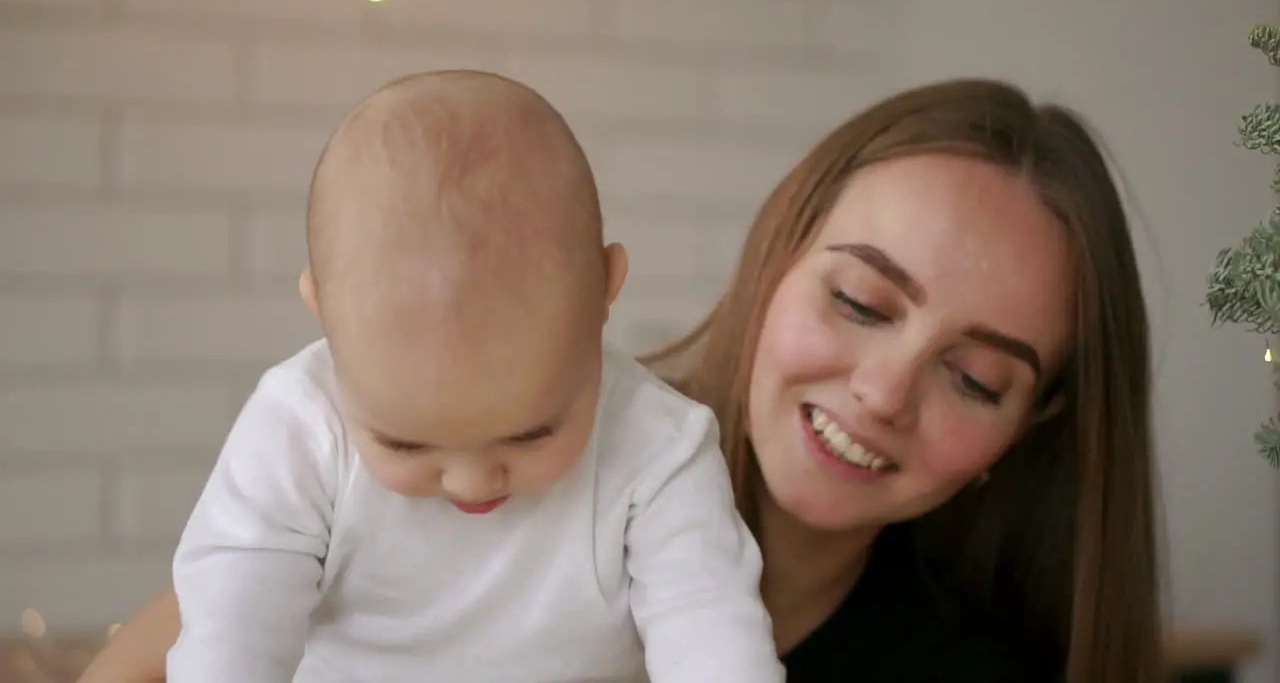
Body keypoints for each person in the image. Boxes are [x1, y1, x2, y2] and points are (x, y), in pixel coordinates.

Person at [77, 77, 1161, 683]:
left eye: (973, 377)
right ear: (774, 257)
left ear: (1034, 422)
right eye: (860, 303)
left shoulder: (959, 669)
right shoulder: (437, 430)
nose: (882, 388)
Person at [160, 69, 785, 683]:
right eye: (405, 443)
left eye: (531, 433)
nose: (470, 480)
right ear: (323, 311)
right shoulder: (300, 425)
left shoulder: (660, 445)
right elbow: (233, 626)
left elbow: (710, 625)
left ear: (605, 289)